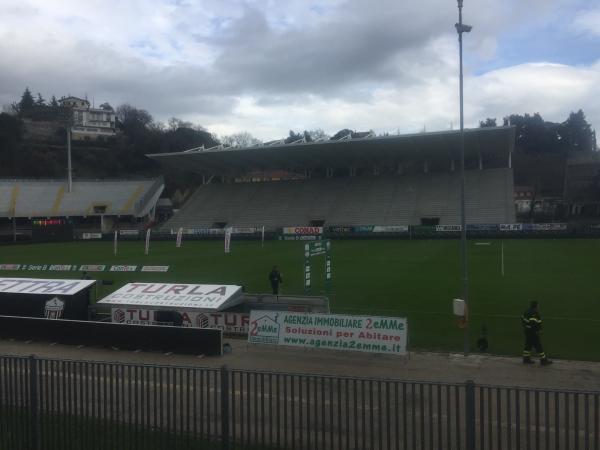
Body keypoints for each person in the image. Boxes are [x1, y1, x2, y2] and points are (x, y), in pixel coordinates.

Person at [521, 301, 552, 365]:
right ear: (536, 306)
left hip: (527, 331)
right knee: (538, 346)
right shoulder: (534, 313)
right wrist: (538, 330)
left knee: (528, 345)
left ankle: (526, 359)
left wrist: (526, 327)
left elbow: (522, 318)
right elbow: (533, 323)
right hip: (533, 332)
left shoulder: (526, 311)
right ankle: (543, 360)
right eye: (538, 305)